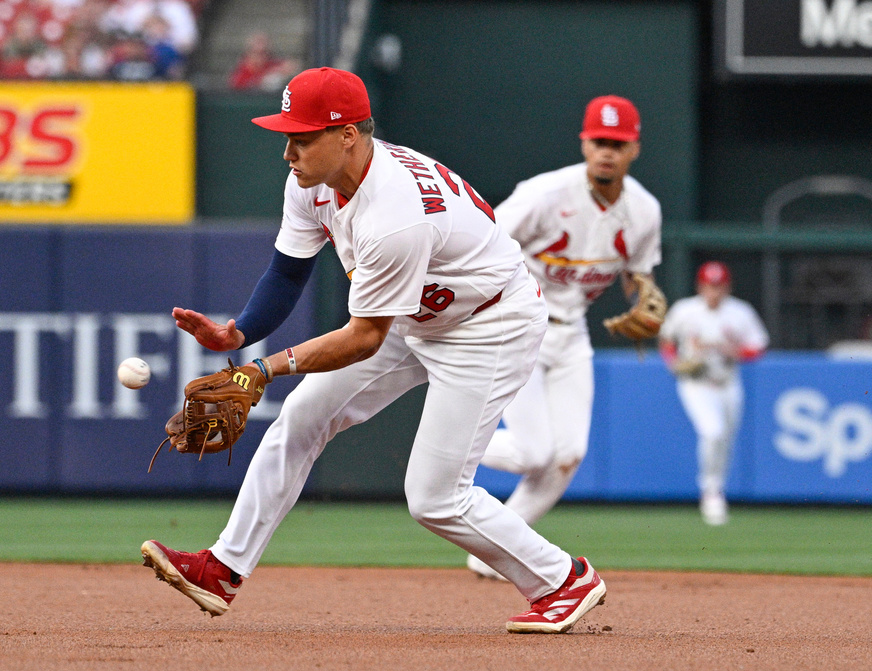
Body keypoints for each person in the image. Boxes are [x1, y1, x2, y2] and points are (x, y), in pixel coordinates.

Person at [140, 67, 606, 634]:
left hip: (489, 324)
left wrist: (264, 368)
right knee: (303, 416)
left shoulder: (394, 214)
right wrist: (240, 333)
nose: (289, 151)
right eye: (286, 135)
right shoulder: (312, 183)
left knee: (434, 498)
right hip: (418, 317)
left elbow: (364, 337)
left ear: (348, 136)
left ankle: (562, 579)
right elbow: (289, 273)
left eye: (302, 137)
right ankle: (223, 569)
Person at [466, 95, 662, 580]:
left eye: (617, 143)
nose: (607, 152)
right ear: (584, 142)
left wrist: (647, 296)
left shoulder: (644, 210)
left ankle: (488, 553)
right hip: (517, 326)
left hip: (573, 335)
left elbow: (639, 274)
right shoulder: (544, 194)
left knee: (566, 457)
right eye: (599, 141)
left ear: (634, 148)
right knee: (535, 453)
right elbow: (478, 236)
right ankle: (435, 445)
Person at [659, 261, 768, 525]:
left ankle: (716, 487)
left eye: (718, 286)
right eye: (709, 286)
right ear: (700, 286)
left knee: (725, 441)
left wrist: (736, 352)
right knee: (713, 431)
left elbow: (758, 346)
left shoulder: (740, 312)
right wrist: (674, 362)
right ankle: (711, 492)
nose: (714, 292)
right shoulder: (686, 310)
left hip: (728, 383)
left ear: (727, 287)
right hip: (696, 384)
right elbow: (666, 340)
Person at [227, 31, 296, 91]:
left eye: (264, 53)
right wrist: (262, 80)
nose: (260, 58)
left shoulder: (272, 64)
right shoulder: (241, 73)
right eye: (257, 53)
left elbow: (291, 68)